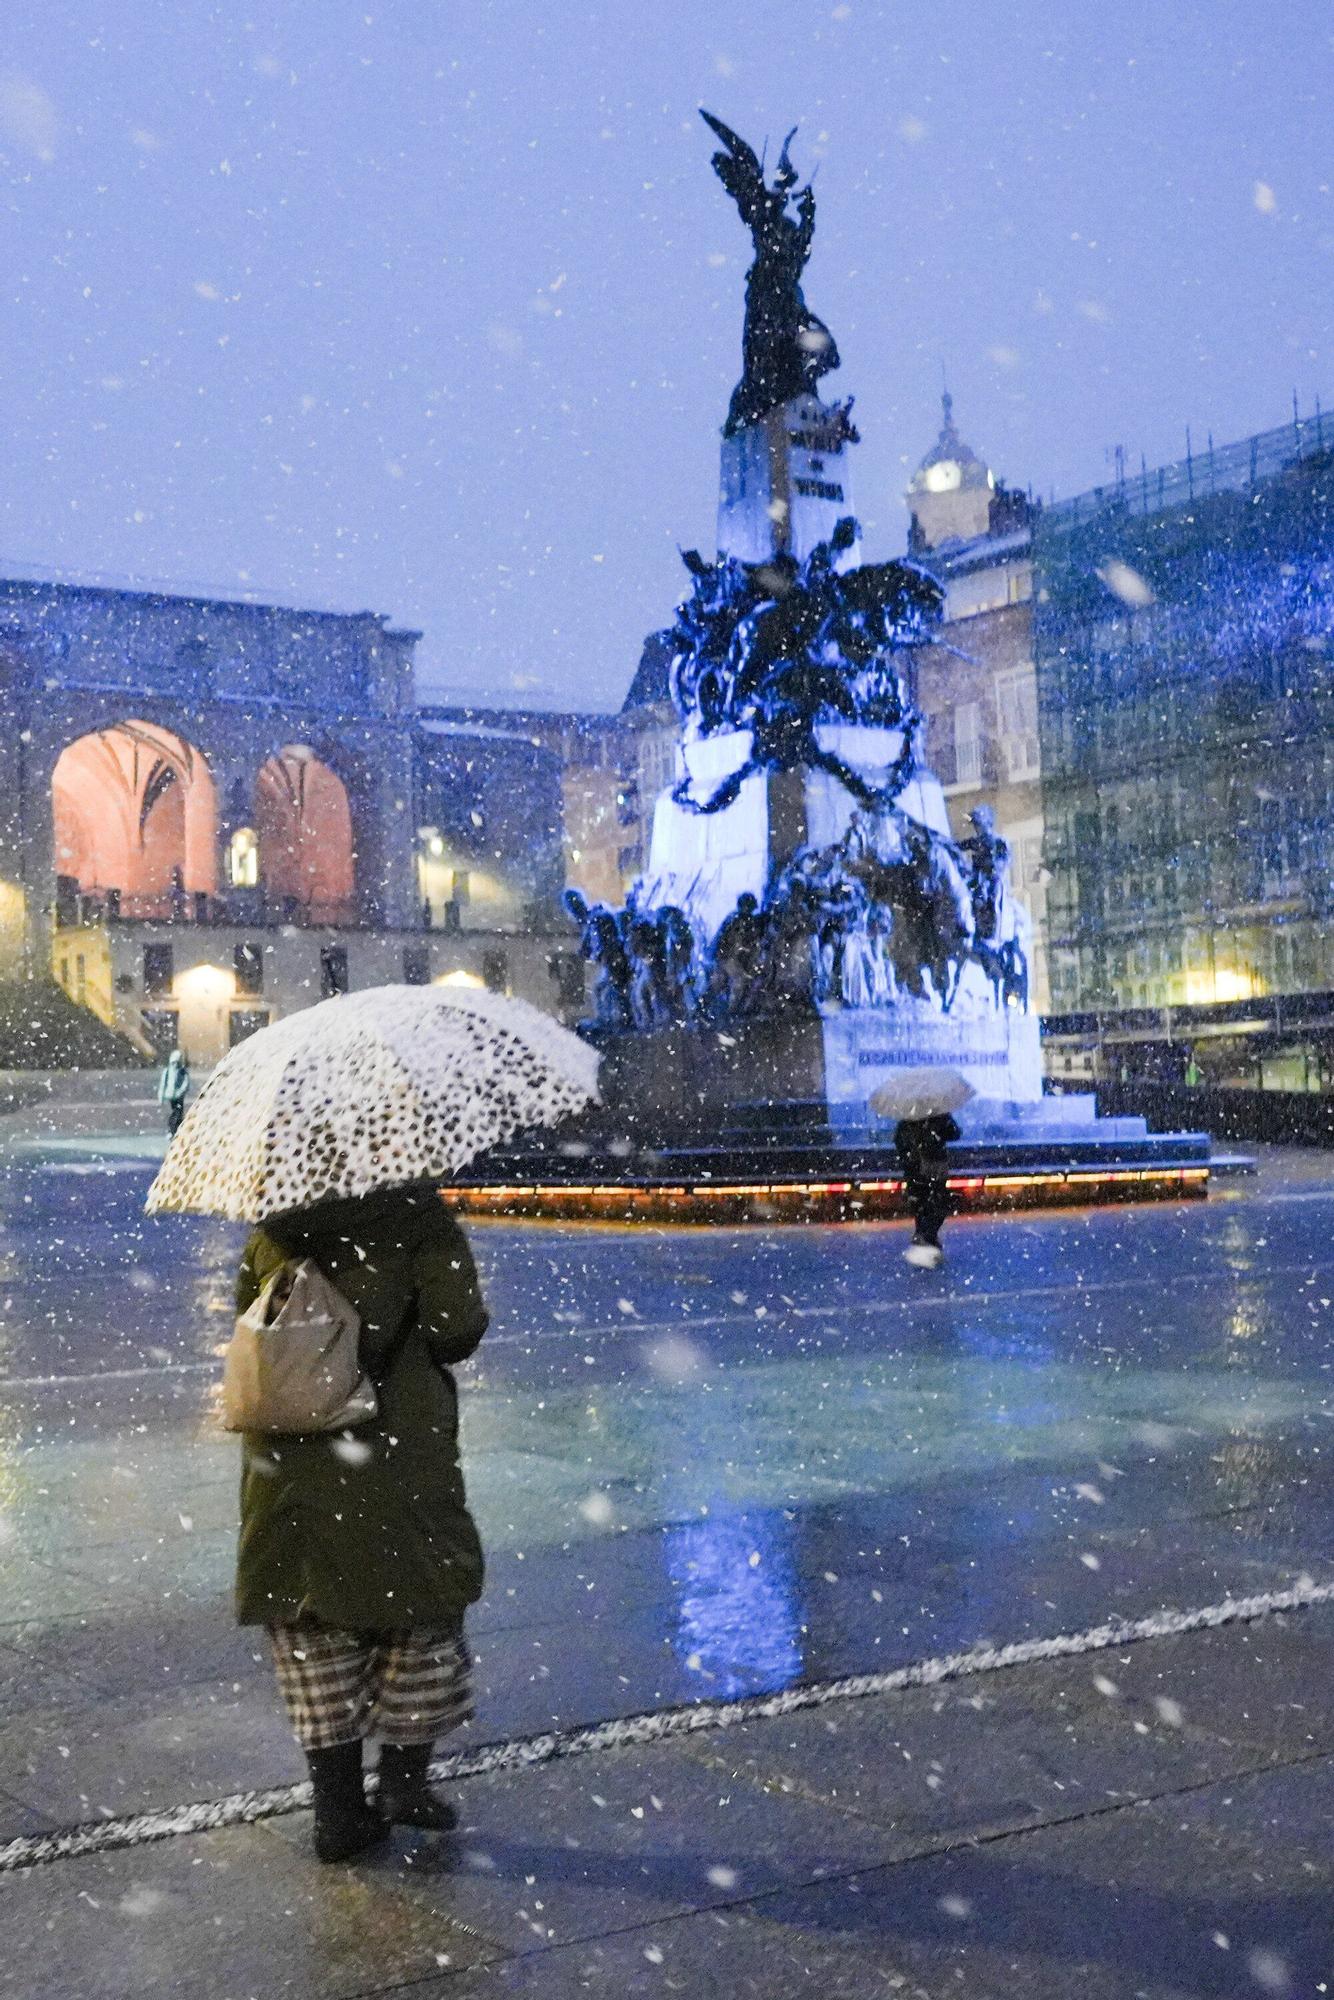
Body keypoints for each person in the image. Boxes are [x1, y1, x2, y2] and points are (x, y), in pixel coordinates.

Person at [235, 1184, 488, 1863]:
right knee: (421, 1613)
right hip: (396, 1443)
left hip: (291, 1455)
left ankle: (338, 1809)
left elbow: (247, 1320)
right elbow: (455, 1330)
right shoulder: (420, 1218)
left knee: (312, 1623)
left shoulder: (276, 1226)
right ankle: (405, 1781)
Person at [894, 1112, 961, 1268]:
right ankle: (927, 1238)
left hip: (916, 1167)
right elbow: (955, 1134)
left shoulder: (907, 1118)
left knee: (922, 1203)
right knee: (936, 1203)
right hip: (934, 1165)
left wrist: (909, 1155)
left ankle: (924, 1238)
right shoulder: (941, 1116)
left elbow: (899, 1141)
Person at [158, 1048, 190, 1137]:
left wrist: (181, 1091)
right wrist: (161, 1096)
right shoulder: (167, 1071)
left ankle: (176, 1129)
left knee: (178, 1112)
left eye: (177, 1062)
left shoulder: (182, 1071)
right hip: (170, 1095)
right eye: (173, 1062)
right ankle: (172, 1130)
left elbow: (186, 1082)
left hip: (179, 1096)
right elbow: (163, 1084)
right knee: (174, 1113)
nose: (175, 1064)